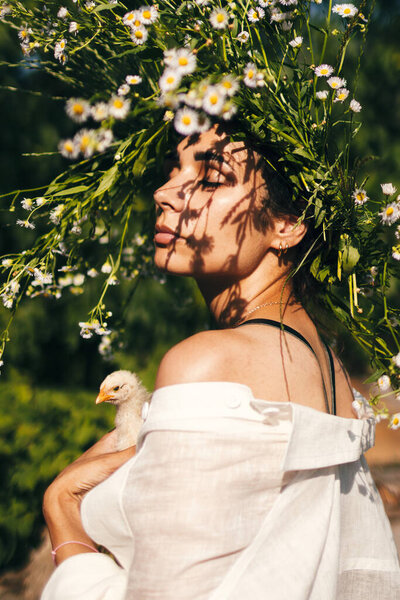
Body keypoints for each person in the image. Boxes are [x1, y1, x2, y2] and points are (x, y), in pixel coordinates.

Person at [41, 123, 400, 599]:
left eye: (210, 178)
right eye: (174, 166)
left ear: (286, 225)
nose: (165, 192)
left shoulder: (208, 364)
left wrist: (63, 508)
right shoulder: (327, 371)